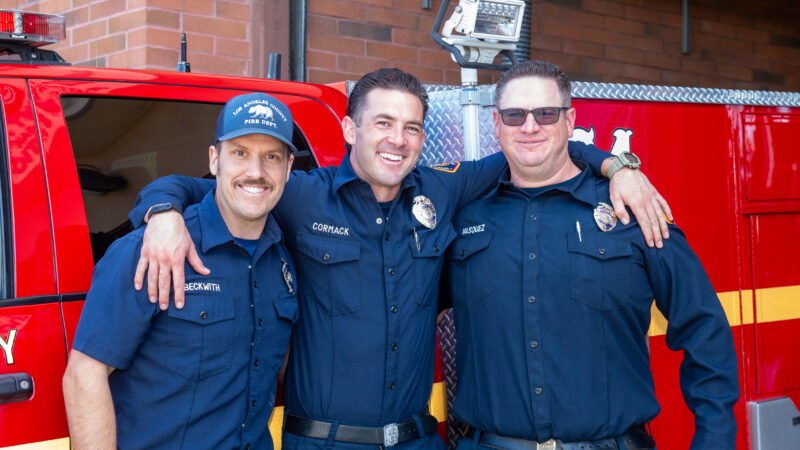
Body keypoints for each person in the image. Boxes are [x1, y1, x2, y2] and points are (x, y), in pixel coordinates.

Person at [126, 68, 671, 449]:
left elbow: (535, 144)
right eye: (382, 123)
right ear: (349, 130)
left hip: (417, 440)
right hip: (322, 443)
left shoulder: (445, 188)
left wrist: (616, 166)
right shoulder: (297, 194)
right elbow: (203, 185)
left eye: (412, 127)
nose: (398, 139)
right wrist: (163, 212)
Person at [444, 60, 739, 450]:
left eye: (546, 114)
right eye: (514, 115)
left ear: (570, 122)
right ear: (496, 125)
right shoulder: (463, 218)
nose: (529, 127)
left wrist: (714, 441)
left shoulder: (633, 210)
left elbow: (704, 325)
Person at [61, 92, 298, 450]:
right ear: (214, 160)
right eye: (240, 153)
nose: (256, 171)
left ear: (289, 168)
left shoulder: (283, 257)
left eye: (271, 157)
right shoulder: (151, 250)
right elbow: (85, 375)